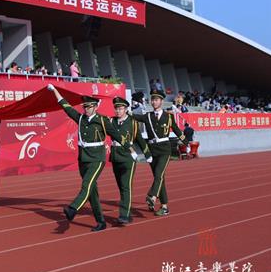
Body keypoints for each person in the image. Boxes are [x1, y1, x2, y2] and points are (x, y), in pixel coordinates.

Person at [48, 85, 132, 231]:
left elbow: (117, 135)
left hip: (97, 159)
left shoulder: (102, 120)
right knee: (92, 193)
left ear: (95, 107)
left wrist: (131, 150)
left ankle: (73, 208)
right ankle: (101, 222)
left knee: (86, 185)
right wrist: (55, 91)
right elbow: (65, 106)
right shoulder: (80, 118)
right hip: (83, 158)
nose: (86, 109)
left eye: (89, 107)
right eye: (85, 107)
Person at [131, 89, 189, 217]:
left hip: (164, 149)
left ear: (161, 101)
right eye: (152, 99)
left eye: (156, 100)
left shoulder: (169, 117)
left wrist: (186, 143)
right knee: (160, 178)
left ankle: (152, 196)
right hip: (152, 150)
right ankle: (164, 206)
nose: (154, 102)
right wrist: (124, 112)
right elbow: (134, 116)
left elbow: (177, 130)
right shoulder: (148, 116)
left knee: (158, 174)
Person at [110, 97, 152, 224]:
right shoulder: (112, 121)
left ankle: (124, 214)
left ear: (126, 109)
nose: (118, 111)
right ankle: (126, 210)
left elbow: (139, 139)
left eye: (120, 108)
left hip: (128, 156)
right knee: (121, 186)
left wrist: (147, 154)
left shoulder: (132, 122)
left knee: (126, 186)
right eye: (116, 108)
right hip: (115, 156)